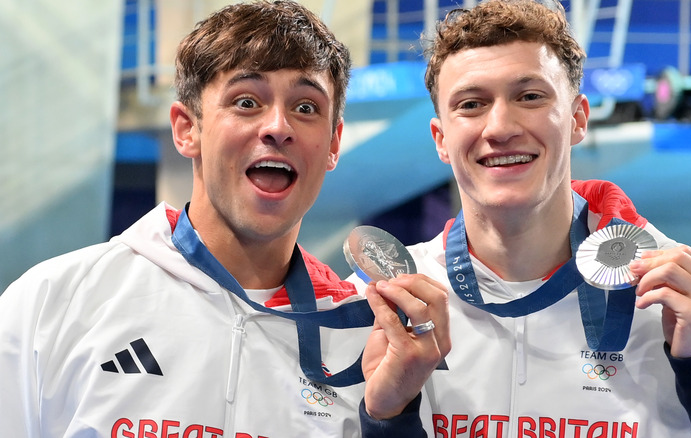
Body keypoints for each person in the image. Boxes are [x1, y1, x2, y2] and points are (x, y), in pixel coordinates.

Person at [357, 0, 691, 436]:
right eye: (471, 104)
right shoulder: (381, 304)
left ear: (578, 119)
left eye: (530, 96)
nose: (500, 126)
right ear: (441, 138)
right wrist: (386, 419)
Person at [0, 2, 396, 436]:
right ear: (187, 129)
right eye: (247, 101)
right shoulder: (57, 302)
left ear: (334, 144)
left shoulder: (363, 335)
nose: (278, 126)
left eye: (306, 108)